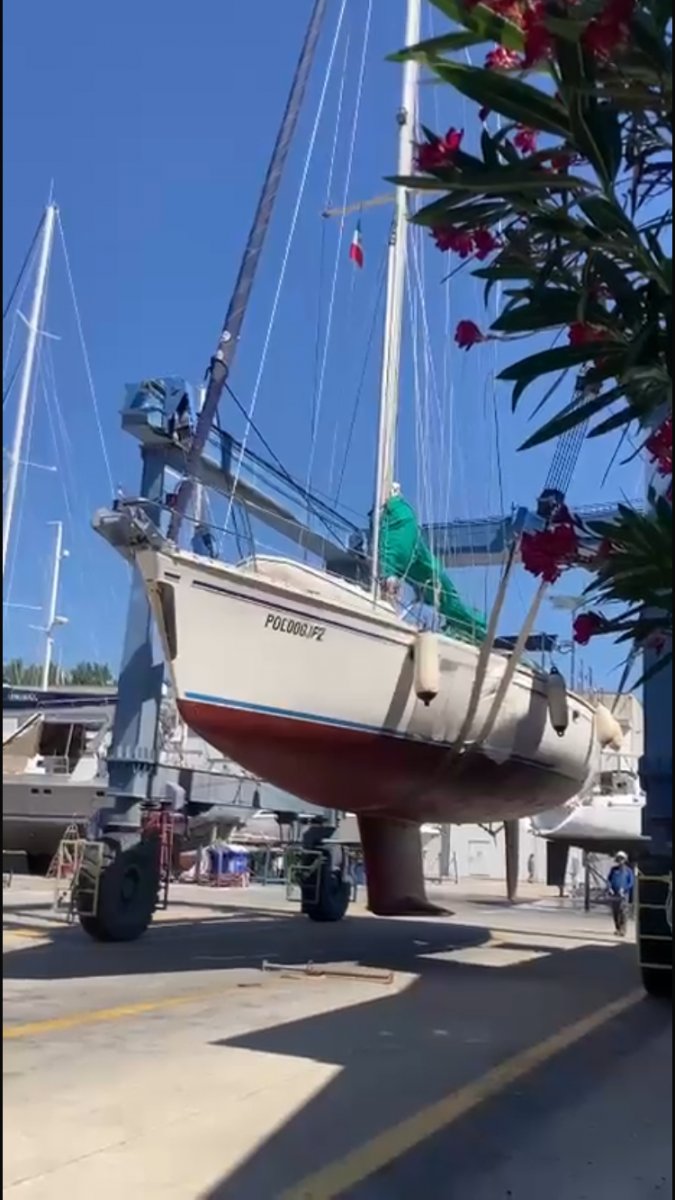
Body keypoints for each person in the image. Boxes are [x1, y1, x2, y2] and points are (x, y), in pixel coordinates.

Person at [607, 852, 635, 937]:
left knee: (623, 912)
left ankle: (623, 930)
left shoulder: (628, 871)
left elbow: (631, 882)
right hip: (614, 894)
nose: (620, 861)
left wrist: (624, 889)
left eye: (622, 859)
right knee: (615, 912)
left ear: (624, 860)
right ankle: (617, 928)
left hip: (623, 894)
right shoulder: (613, 870)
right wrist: (610, 888)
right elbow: (608, 880)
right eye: (619, 859)